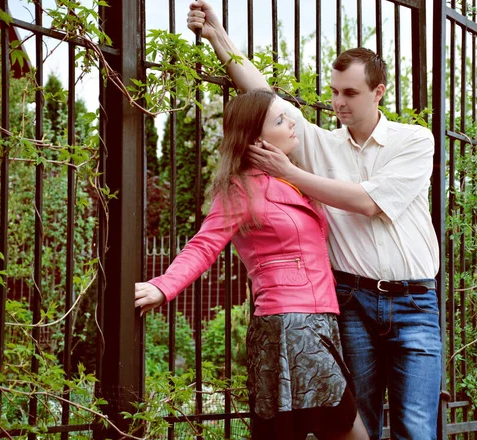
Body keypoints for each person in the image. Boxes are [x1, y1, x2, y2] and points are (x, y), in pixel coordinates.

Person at [186, 2, 442, 440]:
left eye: (351, 93)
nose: (338, 102)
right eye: (336, 91)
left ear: (379, 92)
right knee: (358, 425)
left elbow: (368, 202)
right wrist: (218, 38)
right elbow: (264, 96)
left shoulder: (413, 141)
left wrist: (290, 173)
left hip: (414, 303)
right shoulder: (324, 145)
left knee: (416, 428)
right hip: (352, 303)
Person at [135, 89, 370, 440]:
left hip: (319, 321)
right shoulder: (240, 189)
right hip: (288, 325)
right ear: (256, 139)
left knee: (322, 427)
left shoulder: (292, 180)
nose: (292, 123)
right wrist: (163, 286)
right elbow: (204, 245)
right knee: (338, 427)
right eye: (280, 120)